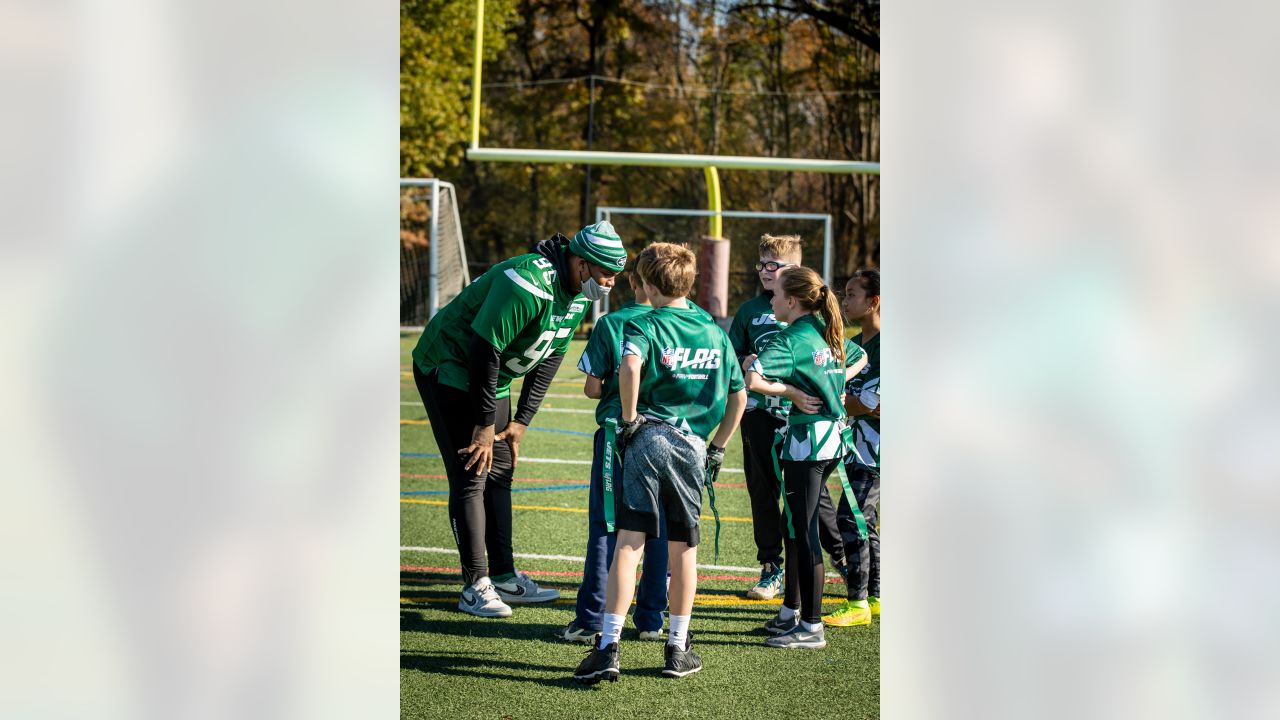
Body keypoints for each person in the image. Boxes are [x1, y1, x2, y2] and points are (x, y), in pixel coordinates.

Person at [410, 220, 627, 618]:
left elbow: (552, 355)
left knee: (502, 469)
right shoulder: (526, 281)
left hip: (497, 376)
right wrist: (483, 423)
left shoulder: (577, 292)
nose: (610, 283)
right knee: (472, 472)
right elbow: (484, 348)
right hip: (451, 364)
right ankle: (475, 584)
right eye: (606, 273)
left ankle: (505, 575)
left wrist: (523, 419)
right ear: (580, 263)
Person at [573, 243, 746, 683]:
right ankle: (677, 647)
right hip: (692, 445)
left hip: (648, 439)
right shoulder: (714, 331)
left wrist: (630, 420)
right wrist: (719, 445)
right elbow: (738, 395)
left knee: (629, 543)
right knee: (682, 549)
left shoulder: (645, 323)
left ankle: (608, 645)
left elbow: (630, 367)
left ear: (648, 284)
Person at [743, 266, 861, 650]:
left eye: (776, 295)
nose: (772, 300)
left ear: (792, 301)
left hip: (807, 444)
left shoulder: (791, 338)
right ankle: (791, 610)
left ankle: (811, 626)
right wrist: (832, 389)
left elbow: (753, 378)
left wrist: (791, 391)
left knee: (805, 532)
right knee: (792, 524)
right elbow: (856, 359)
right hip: (830, 440)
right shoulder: (824, 331)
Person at [728, 234, 849, 601]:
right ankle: (772, 568)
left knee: (812, 498)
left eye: (773, 265)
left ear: (794, 271)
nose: (764, 271)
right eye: (761, 263)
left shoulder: (811, 311)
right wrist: (745, 362)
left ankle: (842, 558)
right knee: (763, 491)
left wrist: (836, 385)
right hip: (761, 413)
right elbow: (734, 360)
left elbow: (848, 353)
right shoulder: (750, 310)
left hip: (803, 420)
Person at [559, 266, 670, 644]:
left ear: (636, 281)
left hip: (619, 436)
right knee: (659, 528)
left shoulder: (612, 323)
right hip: (670, 439)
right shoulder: (695, 324)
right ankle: (652, 618)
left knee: (608, 527)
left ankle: (592, 618)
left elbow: (592, 388)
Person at [824, 269, 882, 627]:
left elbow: (875, 402)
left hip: (876, 449)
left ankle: (857, 603)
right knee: (866, 520)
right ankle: (875, 596)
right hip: (860, 445)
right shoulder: (857, 344)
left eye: (851, 294)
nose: (845, 302)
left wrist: (844, 400)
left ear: (874, 300)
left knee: (853, 517)